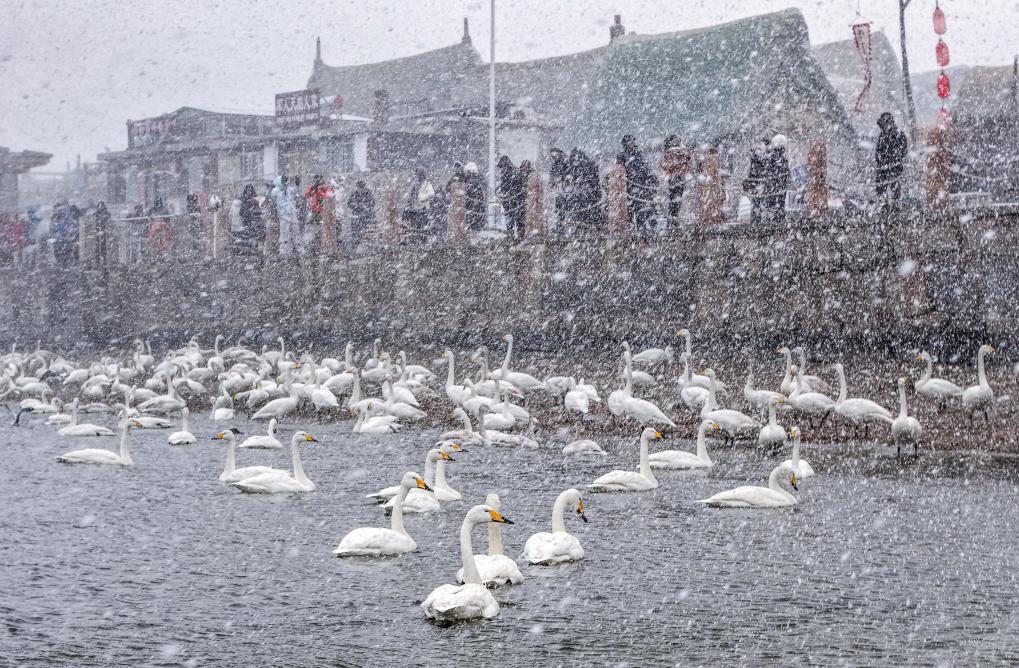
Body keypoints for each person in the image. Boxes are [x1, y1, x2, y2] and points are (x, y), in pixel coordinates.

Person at [617, 134, 659, 233]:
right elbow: (620, 170)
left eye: (633, 142)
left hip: (642, 184)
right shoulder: (622, 156)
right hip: (631, 185)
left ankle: (653, 228)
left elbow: (644, 167)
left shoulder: (638, 153)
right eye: (630, 142)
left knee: (648, 207)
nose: (632, 144)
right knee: (634, 208)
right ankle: (638, 228)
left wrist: (651, 178)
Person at [875, 111, 908, 209]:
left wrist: (893, 159)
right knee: (881, 190)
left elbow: (903, 150)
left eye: (884, 122)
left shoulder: (899, 134)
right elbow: (878, 151)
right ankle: (884, 206)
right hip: (882, 170)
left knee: (895, 189)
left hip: (895, 169)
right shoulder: (882, 135)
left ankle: (895, 207)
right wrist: (881, 161)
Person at [659, 134, 692, 226]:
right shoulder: (671, 153)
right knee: (675, 199)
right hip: (675, 178)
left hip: (678, 177)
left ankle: (673, 218)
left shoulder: (678, 152)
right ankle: (672, 219)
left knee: (676, 199)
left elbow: (687, 160)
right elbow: (667, 165)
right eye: (674, 140)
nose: (676, 141)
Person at [569, 148, 603, 231]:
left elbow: (593, 179)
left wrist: (583, 181)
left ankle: (590, 225)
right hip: (583, 191)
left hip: (590, 192)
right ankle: (584, 225)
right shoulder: (575, 166)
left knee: (589, 209)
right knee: (582, 207)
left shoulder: (589, 164)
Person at [497, 156, 525, 240]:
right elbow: (503, 186)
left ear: (506, 165)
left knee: (518, 218)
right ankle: (510, 234)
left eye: (502, 166)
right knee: (508, 218)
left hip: (517, 200)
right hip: (508, 200)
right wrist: (503, 194)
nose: (501, 169)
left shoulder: (516, 172)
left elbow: (518, 186)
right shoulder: (505, 173)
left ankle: (520, 236)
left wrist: (510, 193)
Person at [743, 138, 770, 224]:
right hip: (758, 183)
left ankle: (757, 220)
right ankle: (757, 220)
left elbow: (752, 172)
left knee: (757, 204)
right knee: (757, 204)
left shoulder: (759, 159)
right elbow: (752, 173)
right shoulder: (757, 159)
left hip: (758, 183)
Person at [303, 174, 332, 255]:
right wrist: (312, 188)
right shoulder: (312, 187)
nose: (317, 181)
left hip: (321, 212)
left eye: (318, 179)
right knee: (311, 230)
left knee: (321, 230)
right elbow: (306, 195)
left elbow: (328, 197)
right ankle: (311, 247)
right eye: (315, 179)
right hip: (312, 211)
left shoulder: (325, 187)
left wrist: (319, 191)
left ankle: (321, 247)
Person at [271, 175, 299, 257]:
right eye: (284, 182)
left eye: (286, 182)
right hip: (283, 214)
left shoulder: (289, 189)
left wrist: (297, 184)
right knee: (284, 233)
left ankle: (295, 247)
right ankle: (283, 251)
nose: (286, 184)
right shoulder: (275, 191)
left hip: (292, 213)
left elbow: (295, 191)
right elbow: (273, 200)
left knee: (295, 230)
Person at [765, 134, 791, 224]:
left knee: (779, 201)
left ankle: (778, 215)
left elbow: (786, 170)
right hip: (776, 184)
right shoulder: (773, 158)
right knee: (777, 201)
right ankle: (777, 215)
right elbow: (786, 170)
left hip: (778, 184)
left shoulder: (777, 158)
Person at [402, 168, 435, 237]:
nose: (418, 176)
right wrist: (409, 204)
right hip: (415, 208)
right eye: (417, 174)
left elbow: (430, 195)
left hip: (424, 208)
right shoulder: (415, 184)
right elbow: (411, 196)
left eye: (420, 174)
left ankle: (420, 232)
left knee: (421, 221)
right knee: (407, 213)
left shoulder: (427, 184)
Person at [347, 180, 376, 246]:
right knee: (355, 232)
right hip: (356, 216)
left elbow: (372, 203)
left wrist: (365, 206)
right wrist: (356, 205)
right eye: (358, 187)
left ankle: (367, 243)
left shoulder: (368, 193)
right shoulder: (354, 194)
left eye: (360, 187)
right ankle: (356, 243)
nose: (359, 189)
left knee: (367, 232)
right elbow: (349, 204)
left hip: (367, 216)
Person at [548, 148, 570, 232]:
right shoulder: (555, 164)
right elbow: (552, 175)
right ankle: (559, 226)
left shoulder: (566, 163)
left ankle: (563, 226)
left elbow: (569, 175)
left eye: (556, 155)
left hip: (566, 190)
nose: (555, 157)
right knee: (559, 209)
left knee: (565, 208)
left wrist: (562, 179)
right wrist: (551, 182)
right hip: (559, 190)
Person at [463, 162, 487, 231]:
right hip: (474, 201)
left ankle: (473, 230)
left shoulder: (472, 179)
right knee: (474, 219)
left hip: (474, 201)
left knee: (474, 219)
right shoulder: (478, 177)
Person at [93, 201, 111, 268]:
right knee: (100, 247)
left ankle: (101, 261)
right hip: (100, 232)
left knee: (102, 247)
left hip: (102, 232)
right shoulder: (99, 213)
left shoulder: (101, 213)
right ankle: (101, 261)